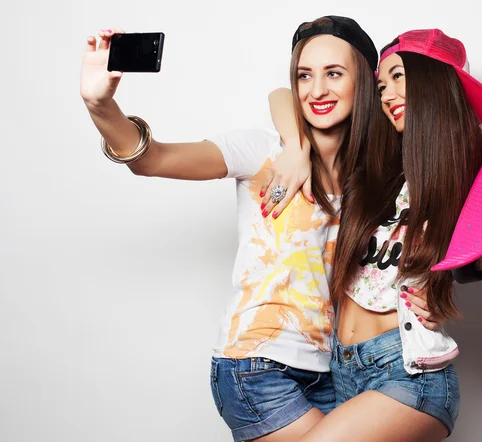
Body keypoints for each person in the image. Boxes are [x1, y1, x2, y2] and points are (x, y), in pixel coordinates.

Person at [79, 16, 397, 442]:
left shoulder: (372, 179)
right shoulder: (262, 152)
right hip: (255, 367)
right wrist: (100, 106)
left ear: (364, 81)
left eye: (333, 74)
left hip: (333, 372)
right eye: (304, 75)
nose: (317, 90)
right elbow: (152, 159)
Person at [265, 29, 482, 441]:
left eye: (399, 77)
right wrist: (295, 146)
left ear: (435, 81)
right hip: (336, 369)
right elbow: (281, 96)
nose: (386, 94)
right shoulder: (373, 162)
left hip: (407, 371)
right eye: (382, 84)